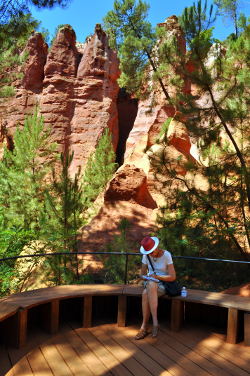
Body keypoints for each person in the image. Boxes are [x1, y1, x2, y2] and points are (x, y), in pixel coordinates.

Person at [134, 236, 176, 340]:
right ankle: (153, 323)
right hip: (150, 283)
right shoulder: (146, 255)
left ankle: (145, 326)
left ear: (157, 247)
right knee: (150, 284)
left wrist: (156, 277)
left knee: (145, 293)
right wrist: (144, 277)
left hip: (163, 283)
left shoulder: (166, 255)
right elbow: (142, 273)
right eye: (149, 252)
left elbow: (173, 277)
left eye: (152, 251)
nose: (151, 254)